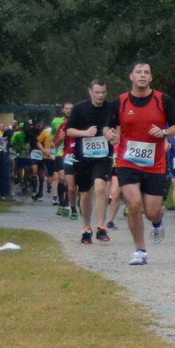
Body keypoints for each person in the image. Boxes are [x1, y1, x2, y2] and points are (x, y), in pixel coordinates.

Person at [112, 63, 175, 265]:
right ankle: (140, 250)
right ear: (131, 77)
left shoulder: (162, 100)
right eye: (139, 72)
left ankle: (157, 222)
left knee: (152, 211)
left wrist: (164, 133)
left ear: (151, 77)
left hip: (155, 164)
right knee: (133, 205)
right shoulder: (120, 102)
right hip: (127, 161)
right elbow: (110, 125)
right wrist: (108, 133)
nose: (143, 76)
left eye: (147, 73)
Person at [65, 81, 119, 244]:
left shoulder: (111, 108)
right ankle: (87, 228)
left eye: (103, 92)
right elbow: (68, 130)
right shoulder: (80, 108)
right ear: (90, 92)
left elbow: (119, 127)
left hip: (103, 156)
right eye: (97, 92)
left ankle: (100, 227)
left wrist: (115, 135)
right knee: (85, 193)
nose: (100, 96)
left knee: (100, 187)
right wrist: (85, 133)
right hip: (83, 157)